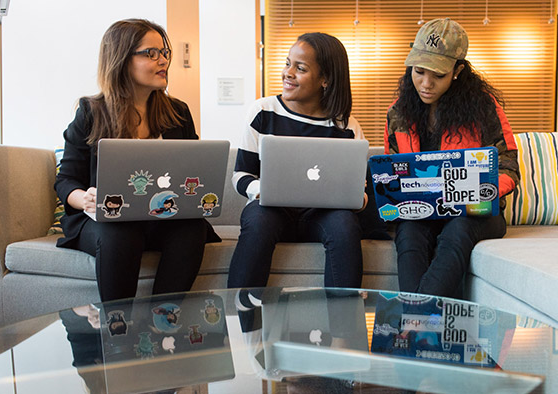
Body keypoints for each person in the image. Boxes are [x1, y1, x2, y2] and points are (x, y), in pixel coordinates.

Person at [55, 19, 218, 302]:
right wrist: (84, 199)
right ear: (121, 59)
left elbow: (195, 170)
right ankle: (119, 331)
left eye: (164, 52)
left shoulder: (178, 112)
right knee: (121, 233)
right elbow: (65, 179)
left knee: (193, 228)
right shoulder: (91, 112)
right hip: (106, 221)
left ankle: (165, 323)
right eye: (151, 53)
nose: (163, 60)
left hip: (162, 217)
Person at [385, 18, 520, 297]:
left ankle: (413, 318)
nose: (426, 83)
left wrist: (479, 191)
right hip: (422, 210)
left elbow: (509, 168)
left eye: (438, 75)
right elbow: (393, 168)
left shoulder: (483, 107)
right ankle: (422, 324)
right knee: (408, 234)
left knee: (457, 231)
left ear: (457, 70)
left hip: (476, 211)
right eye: (419, 71)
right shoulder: (398, 112)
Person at [227, 32, 366, 289]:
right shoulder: (263, 112)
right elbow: (241, 175)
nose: (287, 73)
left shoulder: (346, 127)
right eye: (287, 63)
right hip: (271, 211)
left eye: (300, 68)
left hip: (322, 216)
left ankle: (345, 324)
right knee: (258, 222)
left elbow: (359, 191)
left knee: (344, 225)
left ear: (325, 79)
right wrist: (263, 192)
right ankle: (240, 320)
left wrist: (357, 198)